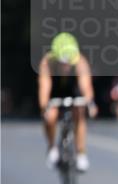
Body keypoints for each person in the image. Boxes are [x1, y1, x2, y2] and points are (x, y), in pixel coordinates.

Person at [38, 33, 97, 172]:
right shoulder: (47, 63)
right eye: (62, 63)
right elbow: (44, 89)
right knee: (50, 116)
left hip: (73, 88)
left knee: (80, 113)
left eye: (68, 63)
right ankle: (52, 148)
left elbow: (86, 87)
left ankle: (81, 153)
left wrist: (90, 104)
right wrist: (44, 108)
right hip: (55, 89)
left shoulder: (80, 61)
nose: (65, 66)